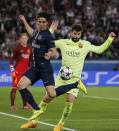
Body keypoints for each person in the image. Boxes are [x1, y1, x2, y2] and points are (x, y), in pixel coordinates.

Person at [21, 23, 116, 131]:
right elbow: (47, 43)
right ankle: (34, 122)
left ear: (81, 34)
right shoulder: (63, 42)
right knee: (47, 98)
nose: (76, 36)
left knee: (70, 101)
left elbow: (99, 49)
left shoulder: (86, 44)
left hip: (75, 79)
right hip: (61, 78)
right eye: (75, 33)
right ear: (71, 32)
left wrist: (109, 39)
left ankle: (60, 125)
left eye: (78, 34)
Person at [17, 12, 85, 118]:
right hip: (35, 68)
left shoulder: (48, 35)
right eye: (39, 21)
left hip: (45, 69)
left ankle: (76, 84)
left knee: (52, 94)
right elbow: (30, 32)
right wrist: (24, 21)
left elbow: (54, 53)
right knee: (20, 86)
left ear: (47, 23)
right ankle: (37, 110)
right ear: (37, 22)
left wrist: (49, 55)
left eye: (43, 22)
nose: (41, 24)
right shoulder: (36, 33)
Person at [10, 33, 32, 110]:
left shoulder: (30, 49)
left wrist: (29, 69)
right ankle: (12, 105)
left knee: (24, 89)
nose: (24, 40)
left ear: (27, 39)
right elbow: (12, 59)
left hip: (25, 73)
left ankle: (25, 105)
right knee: (14, 88)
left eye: (25, 38)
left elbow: (30, 61)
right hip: (17, 72)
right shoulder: (17, 49)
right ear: (20, 40)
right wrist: (12, 70)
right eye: (22, 38)